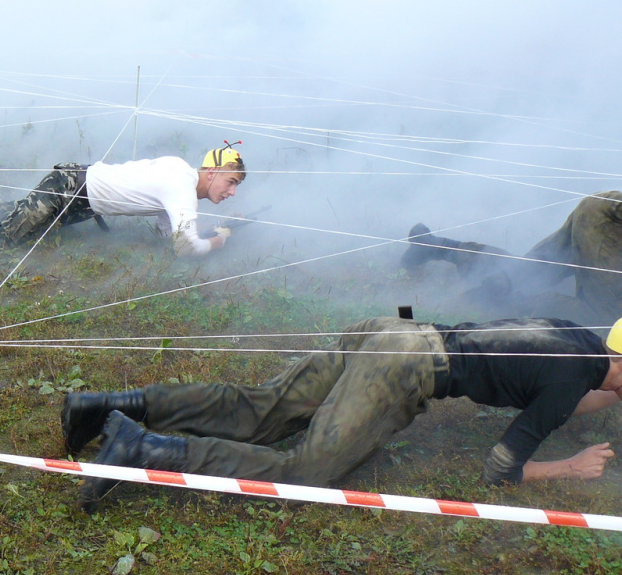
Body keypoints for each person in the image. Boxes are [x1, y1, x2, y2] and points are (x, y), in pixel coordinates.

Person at [62, 316, 622, 511]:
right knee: (307, 471)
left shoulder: (574, 342)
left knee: (262, 410)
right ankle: (142, 448)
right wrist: (566, 468)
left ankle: (101, 407)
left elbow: (568, 389)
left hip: (393, 331)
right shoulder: (568, 380)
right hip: (401, 368)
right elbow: (499, 468)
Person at [0, 144, 247, 256]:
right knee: (4, 238)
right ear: (212, 171)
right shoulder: (181, 185)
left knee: (9, 214)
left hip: (82, 200)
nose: (230, 193)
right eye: (231, 182)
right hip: (70, 186)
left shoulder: (180, 178)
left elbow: (166, 234)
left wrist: (196, 230)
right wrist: (220, 238)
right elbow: (185, 248)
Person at [401, 191, 622, 327]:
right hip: (609, 220)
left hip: (606, 209)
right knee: (604, 320)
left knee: (533, 271)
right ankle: (507, 299)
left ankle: (434, 246)